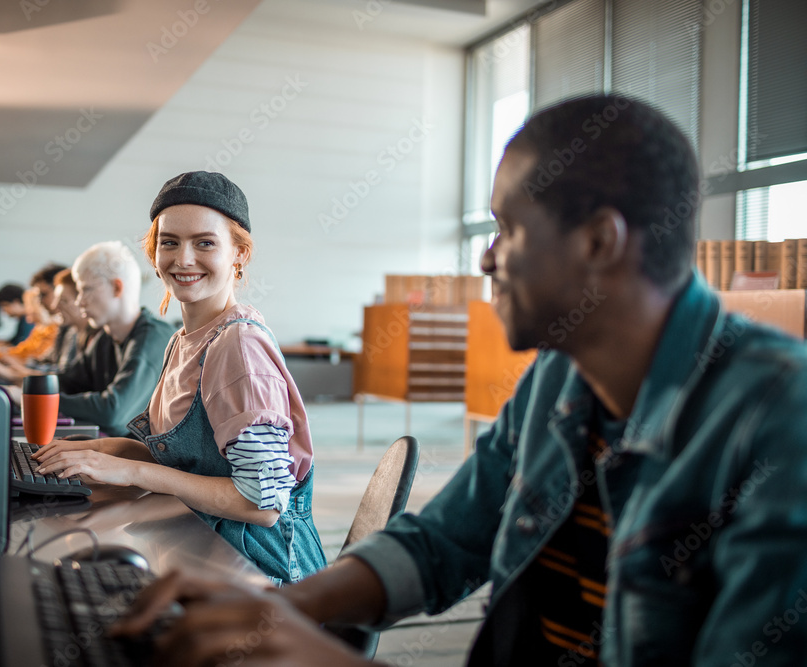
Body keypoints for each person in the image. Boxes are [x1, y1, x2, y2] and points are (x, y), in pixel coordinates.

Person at [107, 96, 807, 665]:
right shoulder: (560, 377)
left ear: (598, 243)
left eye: (508, 229)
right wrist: (278, 610)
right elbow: (444, 542)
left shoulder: (781, 424)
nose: (486, 258)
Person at [34, 171, 327, 585]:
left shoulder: (237, 346)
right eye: (168, 242)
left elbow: (263, 503)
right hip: (207, 547)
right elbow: (182, 461)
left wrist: (131, 472)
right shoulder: (183, 340)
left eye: (204, 243)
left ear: (239, 253)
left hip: (263, 573)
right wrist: (97, 451)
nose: (182, 258)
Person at [31, 241, 174, 437]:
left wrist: (38, 398)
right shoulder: (105, 339)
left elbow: (113, 413)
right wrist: (28, 386)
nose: (79, 301)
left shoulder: (152, 339)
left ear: (116, 288)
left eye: (85, 290)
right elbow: (68, 382)